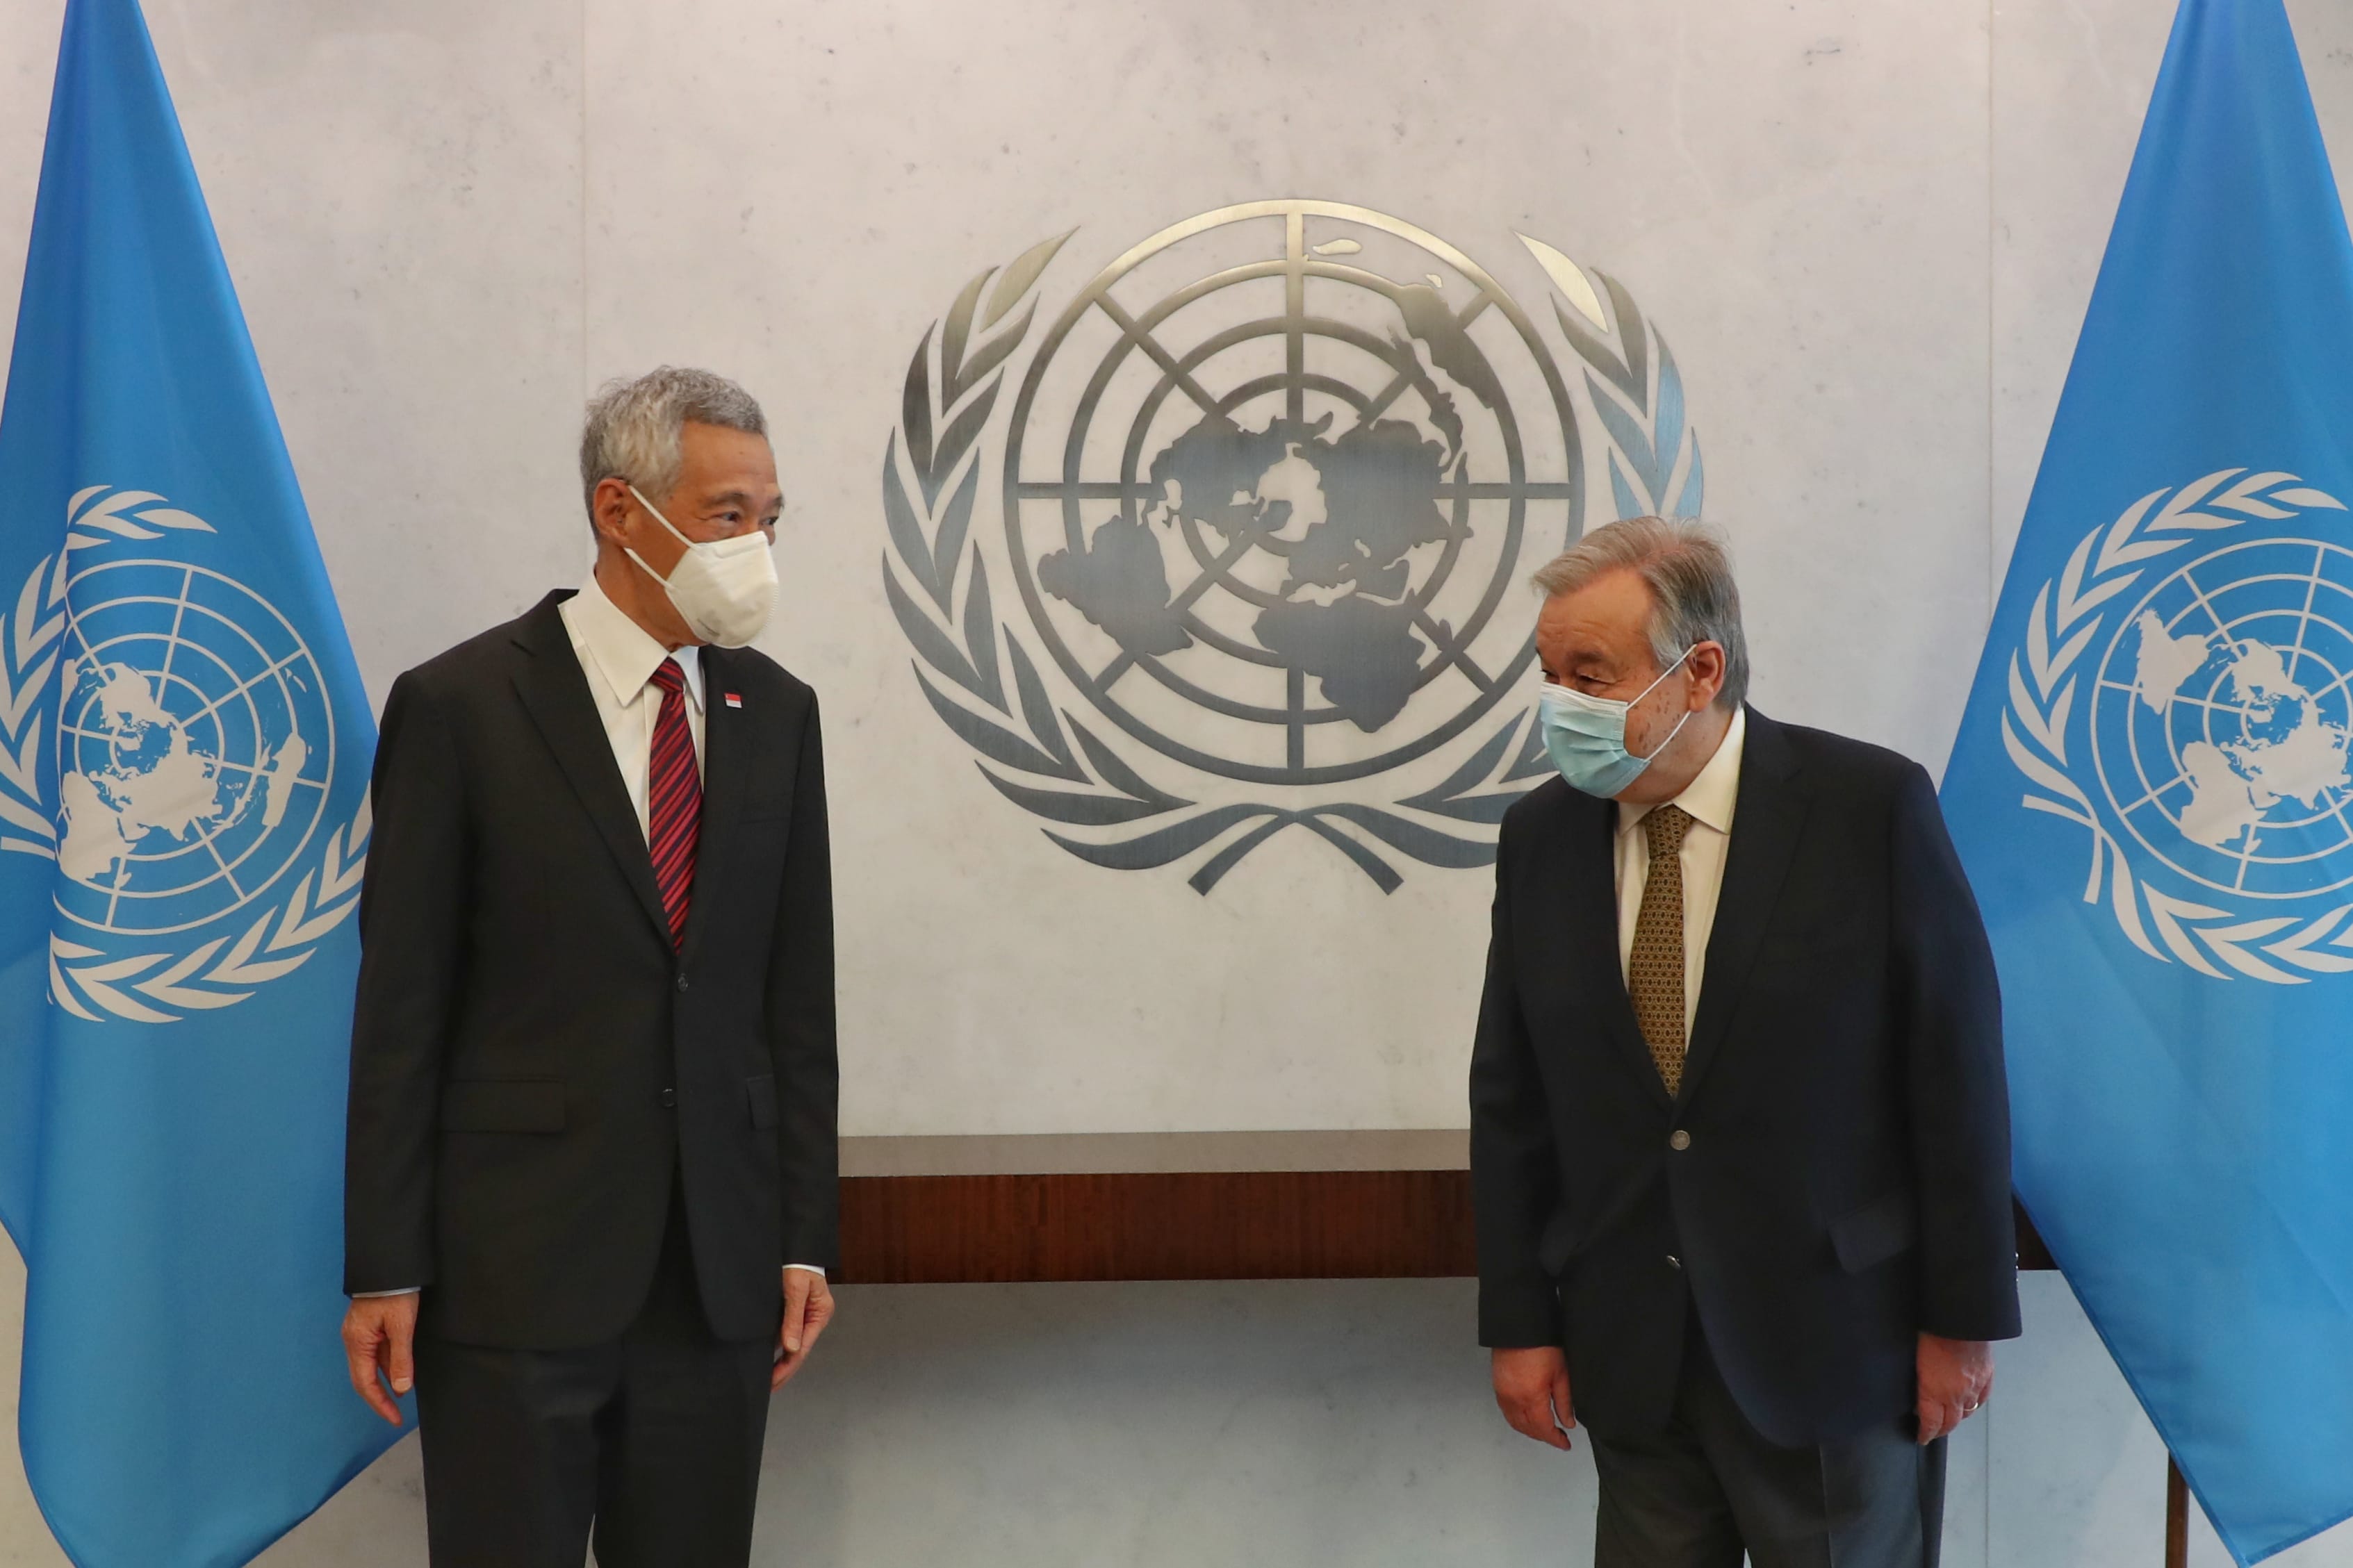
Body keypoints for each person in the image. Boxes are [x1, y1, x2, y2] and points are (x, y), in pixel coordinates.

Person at [338, 366, 838, 1567]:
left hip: (715, 1276)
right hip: (513, 1272)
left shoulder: (779, 711)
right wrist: (384, 1265)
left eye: (770, 517)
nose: (757, 543)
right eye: (727, 514)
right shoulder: (460, 705)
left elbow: (796, 998)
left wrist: (803, 1236)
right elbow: (400, 1008)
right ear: (622, 512)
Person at [1470, 516, 2019, 1567]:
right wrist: (1517, 1321)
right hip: (1631, 1349)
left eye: (1589, 673)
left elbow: (1955, 1075)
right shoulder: (1539, 838)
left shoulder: (1868, 807)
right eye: (1548, 674)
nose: (1559, 705)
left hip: (1835, 1349)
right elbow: (1510, 1098)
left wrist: (1961, 1324)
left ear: (1697, 669)